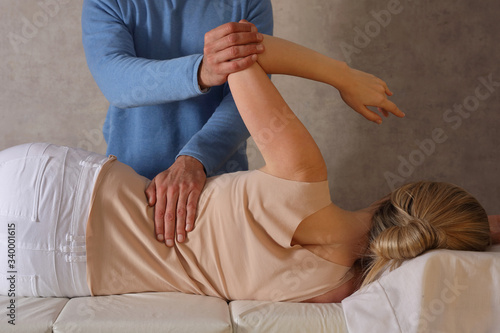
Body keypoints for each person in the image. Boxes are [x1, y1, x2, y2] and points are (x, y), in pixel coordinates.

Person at [0, 33, 495, 302]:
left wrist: (343, 77)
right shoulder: (335, 291)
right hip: (49, 272)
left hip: (54, 191)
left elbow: (238, 49)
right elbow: (450, 231)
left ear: (398, 195)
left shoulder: (301, 178)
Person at [81, 0, 274, 248]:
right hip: (130, 188)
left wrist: (196, 159)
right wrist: (200, 71)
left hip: (216, 186)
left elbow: (249, 99)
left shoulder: (248, 2)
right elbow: (114, 80)